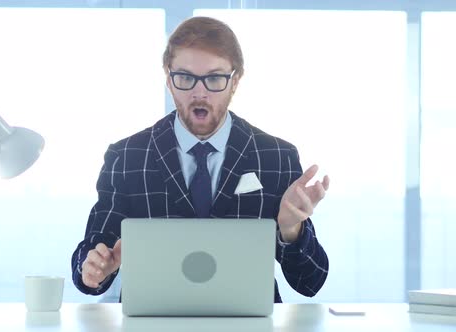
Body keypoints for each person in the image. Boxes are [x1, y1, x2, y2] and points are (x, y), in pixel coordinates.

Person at [71, 16, 330, 303]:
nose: (199, 91)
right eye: (185, 78)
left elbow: (310, 281)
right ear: (169, 80)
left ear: (235, 81)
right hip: (152, 321)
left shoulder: (276, 156)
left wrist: (291, 228)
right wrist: (94, 268)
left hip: (249, 322)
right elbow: (90, 258)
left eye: (215, 78)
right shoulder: (127, 155)